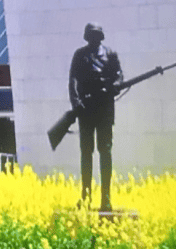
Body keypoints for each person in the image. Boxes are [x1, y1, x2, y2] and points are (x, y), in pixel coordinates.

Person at [69, 23, 123, 211]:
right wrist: (76, 102)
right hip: (86, 109)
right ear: (87, 37)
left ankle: (106, 199)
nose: (94, 39)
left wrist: (117, 84)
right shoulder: (80, 55)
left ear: (101, 37)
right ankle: (85, 197)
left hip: (105, 109)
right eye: (91, 35)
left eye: (96, 35)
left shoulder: (110, 54)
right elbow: (73, 80)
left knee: (105, 152)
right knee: (86, 152)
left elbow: (119, 75)